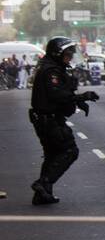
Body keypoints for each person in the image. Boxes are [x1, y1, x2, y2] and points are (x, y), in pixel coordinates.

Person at [29, 36, 98, 204]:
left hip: (46, 118)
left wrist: (77, 101)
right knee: (69, 151)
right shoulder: (51, 71)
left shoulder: (51, 67)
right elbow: (56, 94)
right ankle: (43, 183)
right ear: (57, 53)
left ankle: (42, 194)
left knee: (52, 155)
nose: (69, 58)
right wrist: (81, 97)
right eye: (67, 54)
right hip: (49, 119)